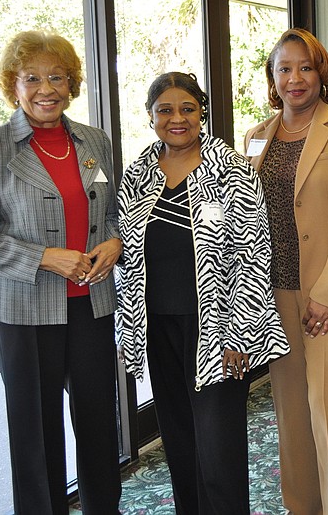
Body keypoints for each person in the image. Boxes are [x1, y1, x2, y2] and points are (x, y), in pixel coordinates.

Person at [0, 30, 122, 514]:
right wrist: (45, 256)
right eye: (33, 79)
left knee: (97, 426)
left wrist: (113, 241)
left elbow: (113, 213)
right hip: (24, 313)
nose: (46, 88)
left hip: (91, 305)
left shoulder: (94, 140)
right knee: (36, 433)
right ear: (14, 85)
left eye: (57, 77)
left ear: (71, 83)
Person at [116, 72, 289, 515]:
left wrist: (242, 333)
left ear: (201, 113)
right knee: (178, 438)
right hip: (157, 327)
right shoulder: (138, 173)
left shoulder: (230, 169)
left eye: (187, 109)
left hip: (216, 328)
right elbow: (127, 247)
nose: (177, 119)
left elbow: (255, 254)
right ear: (151, 117)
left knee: (218, 445)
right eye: (165, 111)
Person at [244, 29, 328, 515]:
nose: (295, 78)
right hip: (273, 292)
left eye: (305, 67)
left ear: (322, 73)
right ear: (272, 78)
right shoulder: (256, 137)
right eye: (284, 69)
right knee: (290, 416)